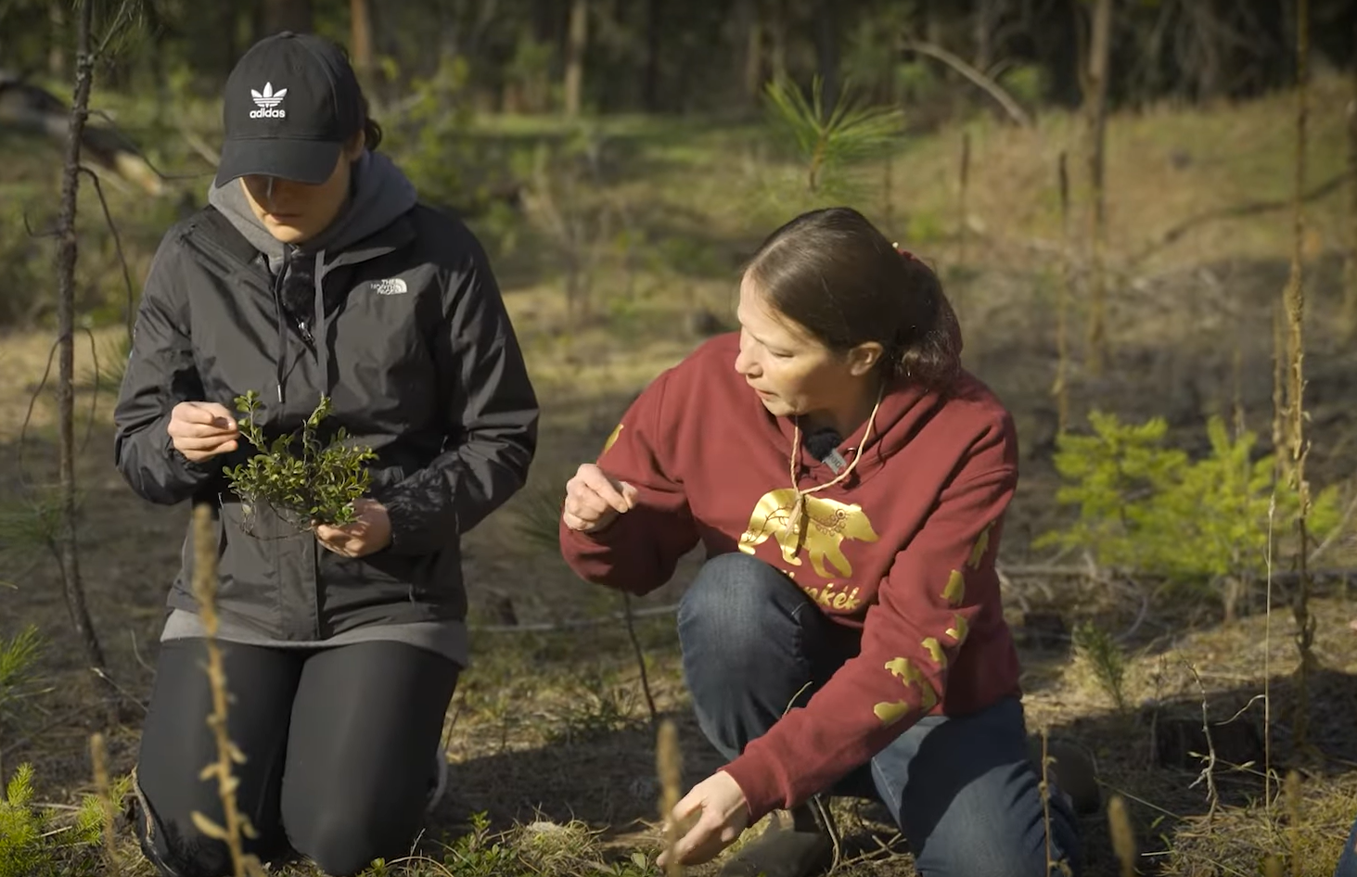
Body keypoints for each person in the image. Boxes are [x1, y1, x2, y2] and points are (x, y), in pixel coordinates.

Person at [112, 31, 539, 877]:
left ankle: (397, 769)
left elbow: (504, 432)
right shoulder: (191, 256)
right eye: (254, 168)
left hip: (390, 594)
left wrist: (399, 518)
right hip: (234, 594)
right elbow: (137, 446)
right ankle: (289, 760)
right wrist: (176, 439)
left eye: (299, 167)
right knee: (198, 840)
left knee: (339, 838)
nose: (272, 193)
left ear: (355, 142)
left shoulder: (438, 255)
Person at [558, 207, 1086, 877]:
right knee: (730, 598)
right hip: (791, 675)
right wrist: (596, 524)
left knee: (996, 866)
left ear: (862, 356)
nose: (742, 361)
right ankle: (804, 813)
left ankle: (1042, 792)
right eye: (743, 326)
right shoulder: (708, 382)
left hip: (929, 700)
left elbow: (909, 658)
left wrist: (750, 780)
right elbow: (633, 562)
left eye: (777, 349)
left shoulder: (966, 434)